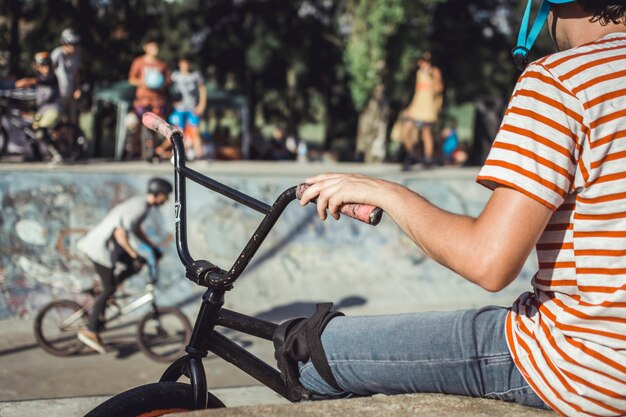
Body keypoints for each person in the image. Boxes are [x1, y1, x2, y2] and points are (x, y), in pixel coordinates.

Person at [297, 2, 626, 416]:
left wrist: (387, 193)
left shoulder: (562, 82)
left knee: (317, 352)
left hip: (589, 369)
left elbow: (489, 262)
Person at [76, 178, 173, 353]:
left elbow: (135, 230)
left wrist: (151, 248)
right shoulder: (140, 206)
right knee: (110, 287)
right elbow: (121, 234)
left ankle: (107, 291)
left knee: (134, 266)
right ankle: (90, 330)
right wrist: (134, 254)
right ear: (158, 195)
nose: (166, 200)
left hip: (110, 249)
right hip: (100, 249)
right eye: (166, 196)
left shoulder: (142, 206)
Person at [15, 52, 63, 163]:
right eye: (42, 65)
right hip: (41, 111)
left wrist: (27, 81)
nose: (45, 68)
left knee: (42, 129)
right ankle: (36, 155)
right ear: (37, 67)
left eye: (47, 65)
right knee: (30, 130)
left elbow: (42, 81)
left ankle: (57, 153)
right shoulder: (39, 77)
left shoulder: (52, 77)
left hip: (53, 109)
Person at [128, 38, 171, 160]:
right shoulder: (139, 62)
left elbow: (168, 81)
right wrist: (143, 82)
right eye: (152, 47)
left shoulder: (162, 64)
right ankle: (138, 151)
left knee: (157, 127)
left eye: (157, 47)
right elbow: (131, 79)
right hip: (142, 101)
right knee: (138, 125)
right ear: (146, 48)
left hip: (157, 101)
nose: (155, 50)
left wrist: (161, 84)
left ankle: (154, 152)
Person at [399, 51, 443, 169]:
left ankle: (428, 158)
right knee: (405, 131)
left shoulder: (434, 71)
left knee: (426, 132)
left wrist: (432, 77)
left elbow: (439, 89)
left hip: (427, 108)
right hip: (416, 108)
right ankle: (411, 154)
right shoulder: (418, 73)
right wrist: (410, 107)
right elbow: (417, 92)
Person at [167, 54, 207, 161]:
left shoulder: (195, 75)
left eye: (187, 63)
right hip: (179, 108)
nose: (185, 65)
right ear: (179, 64)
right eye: (183, 63)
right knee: (179, 132)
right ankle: (179, 155)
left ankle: (199, 156)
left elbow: (202, 90)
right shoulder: (174, 75)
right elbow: (168, 89)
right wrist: (171, 102)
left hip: (192, 108)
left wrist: (202, 105)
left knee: (195, 132)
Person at [51, 28, 81, 124]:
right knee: (58, 122)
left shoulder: (76, 57)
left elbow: (76, 74)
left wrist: (77, 88)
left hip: (70, 94)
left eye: (76, 44)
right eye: (72, 44)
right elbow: (48, 72)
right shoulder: (57, 54)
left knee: (72, 121)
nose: (74, 47)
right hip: (58, 95)